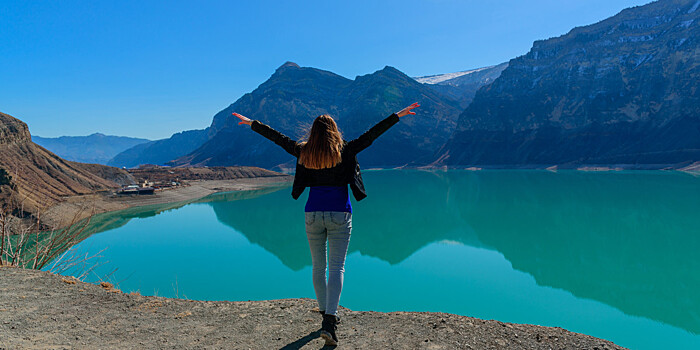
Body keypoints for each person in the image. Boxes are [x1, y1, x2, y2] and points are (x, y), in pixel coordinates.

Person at [233, 102, 420, 346]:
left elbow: (279, 139)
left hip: (312, 214)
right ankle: (329, 322)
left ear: (313, 132)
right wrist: (397, 116)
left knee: (317, 267)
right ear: (334, 131)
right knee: (337, 268)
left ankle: (325, 315)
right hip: (340, 215)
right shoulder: (346, 150)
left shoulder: (304, 151)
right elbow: (371, 135)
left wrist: (252, 124)